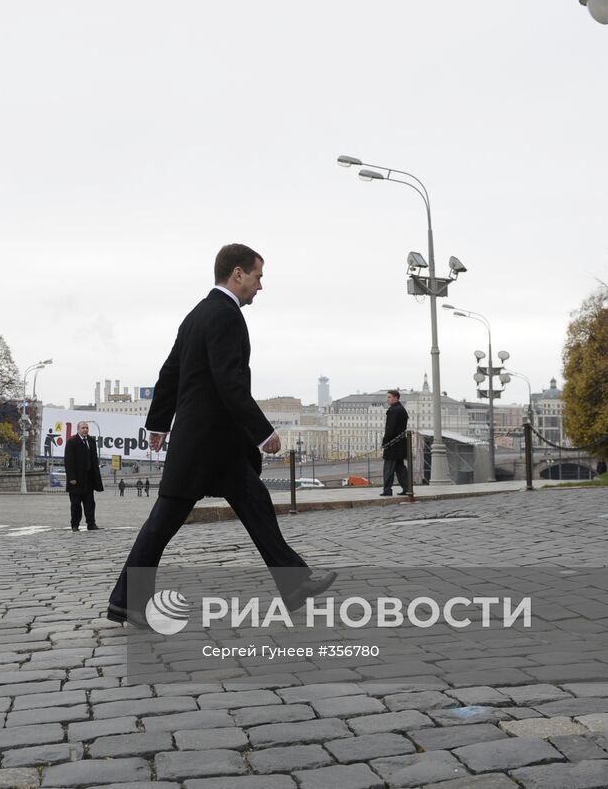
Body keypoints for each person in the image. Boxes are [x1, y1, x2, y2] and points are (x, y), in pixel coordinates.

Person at [106, 244, 336, 626]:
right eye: (258, 277)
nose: (260, 286)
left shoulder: (196, 314)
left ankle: (294, 582)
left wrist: (160, 424)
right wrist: (263, 433)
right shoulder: (226, 316)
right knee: (163, 523)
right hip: (209, 444)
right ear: (238, 274)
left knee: (254, 503)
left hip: (206, 444)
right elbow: (229, 381)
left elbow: (169, 374)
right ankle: (125, 599)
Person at [63, 421, 103, 530]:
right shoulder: (72, 442)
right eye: (83, 428)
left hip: (89, 479)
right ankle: (75, 525)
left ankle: (91, 523)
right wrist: (71, 478)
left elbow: (94, 459)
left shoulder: (91, 441)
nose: (85, 430)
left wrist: (96, 478)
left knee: (90, 503)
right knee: (76, 504)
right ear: (78, 429)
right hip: (76, 480)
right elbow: (68, 461)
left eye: (87, 428)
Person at [381, 389, 410, 497]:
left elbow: (390, 428)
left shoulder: (393, 410)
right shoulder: (401, 409)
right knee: (400, 468)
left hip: (392, 444)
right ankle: (407, 488)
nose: (387, 399)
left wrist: (385, 442)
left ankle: (387, 490)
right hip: (401, 443)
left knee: (388, 468)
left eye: (389, 397)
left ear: (395, 398)